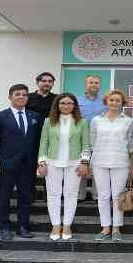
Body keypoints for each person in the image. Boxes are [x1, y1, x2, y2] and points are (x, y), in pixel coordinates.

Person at [0, 84, 42, 241]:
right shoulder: (0, 116)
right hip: (7, 164)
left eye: (25, 94)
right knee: (3, 196)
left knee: (26, 196)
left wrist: (40, 161)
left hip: (28, 165)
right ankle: (4, 227)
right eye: (17, 94)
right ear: (10, 97)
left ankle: (23, 226)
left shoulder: (35, 116)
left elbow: (38, 141)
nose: (21, 97)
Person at [37, 93, 90, 241]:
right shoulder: (49, 121)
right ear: (57, 105)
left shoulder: (82, 122)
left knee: (71, 194)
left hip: (74, 163)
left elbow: (86, 145)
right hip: (52, 163)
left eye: (69, 103)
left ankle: (67, 225)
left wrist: (85, 162)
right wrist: (41, 163)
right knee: (53, 194)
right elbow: (43, 144)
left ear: (74, 106)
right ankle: (55, 225)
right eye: (63, 103)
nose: (66, 106)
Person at [89, 89, 133, 241]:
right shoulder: (96, 120)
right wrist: (88, 163)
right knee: (103, 196)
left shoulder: (129, 121)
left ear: (122, 103)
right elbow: (91, 143)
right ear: (106, 102)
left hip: (121, 161)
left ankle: (116, 228)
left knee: (117, 196)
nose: (114, 102)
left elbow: (131, 146)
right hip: (99, 161)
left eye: (118, 100)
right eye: (111, 100)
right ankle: (105, 228)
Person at [26, 72, 57, 202]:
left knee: (50, 167)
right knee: (29, 166)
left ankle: (48, 194)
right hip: (31, 137)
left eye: (50, 81)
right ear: (37, 82)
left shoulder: (57, 98)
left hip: (51, 138)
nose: (47, 83)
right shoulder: (28, 97)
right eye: (44, 81)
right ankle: (29, 194)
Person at [77, 75, 108, 202]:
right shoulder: (77, 100)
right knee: (81, 166)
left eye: (96, 83)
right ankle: (80, 195)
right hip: (81, 140)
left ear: (100, 85)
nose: (94, 85)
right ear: (86, 84)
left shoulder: (105, 102)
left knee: (98, 168)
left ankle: (97, 195)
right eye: (91, 82)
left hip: (100, 141)